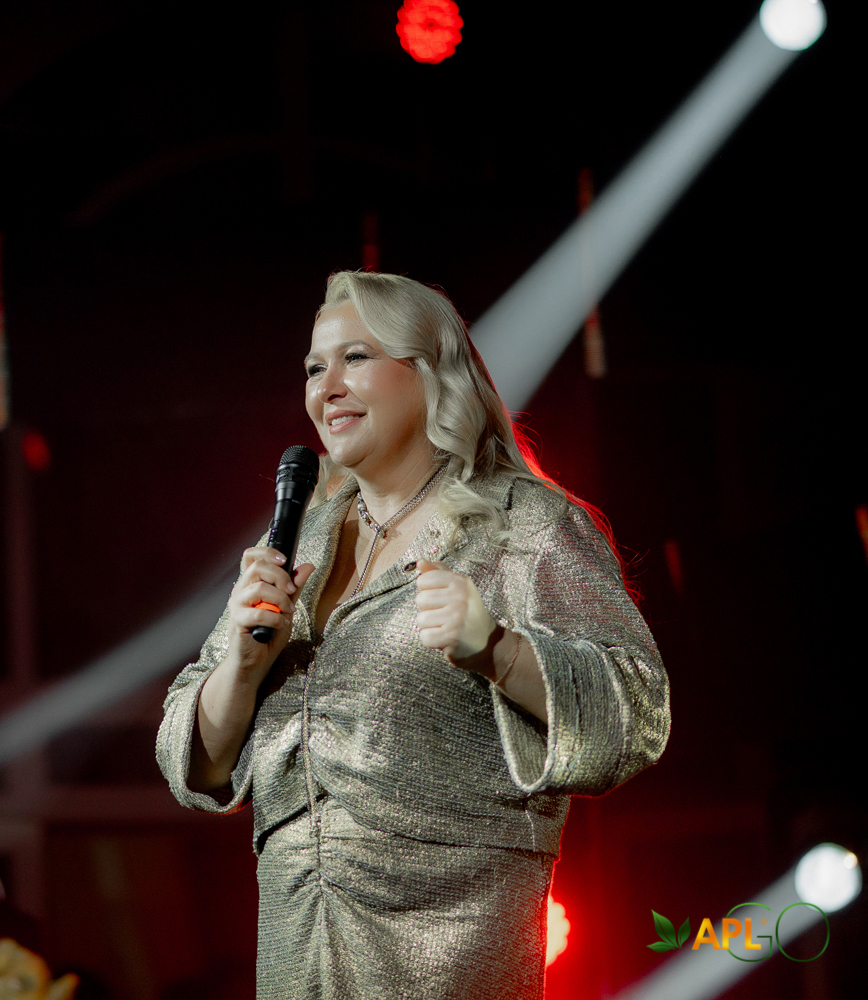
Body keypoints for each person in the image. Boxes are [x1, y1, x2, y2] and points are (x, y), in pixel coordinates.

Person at [155, 272, 670, 1000]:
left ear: (431, 372)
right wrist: (239, 665)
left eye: (355, 358)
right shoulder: (297, 542)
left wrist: (498, 650)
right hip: (299, 959)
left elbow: (636, 711)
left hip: (450, 959)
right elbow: (195, 768)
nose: (327, 388)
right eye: (314, 368)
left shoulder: (518, 525)